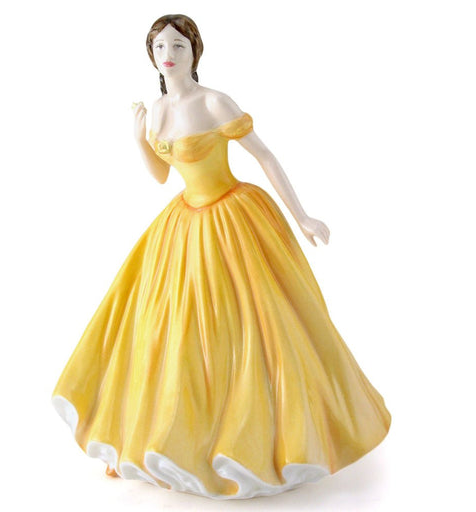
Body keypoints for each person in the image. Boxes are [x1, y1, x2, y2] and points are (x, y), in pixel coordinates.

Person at [52, 13, 391, 500]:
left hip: (233, 216)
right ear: (151, 55)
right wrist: (138, 138)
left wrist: (302, 216)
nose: (168, 54)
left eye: (178, 45)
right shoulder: (157, 108)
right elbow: (160, 176)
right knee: (171, 326)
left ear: (195, 51)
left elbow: (264, 156)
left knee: (259, 323)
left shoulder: (214, 102)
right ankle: (184, 433)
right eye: (159, 46)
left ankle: (271, 435)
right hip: (183, 223)